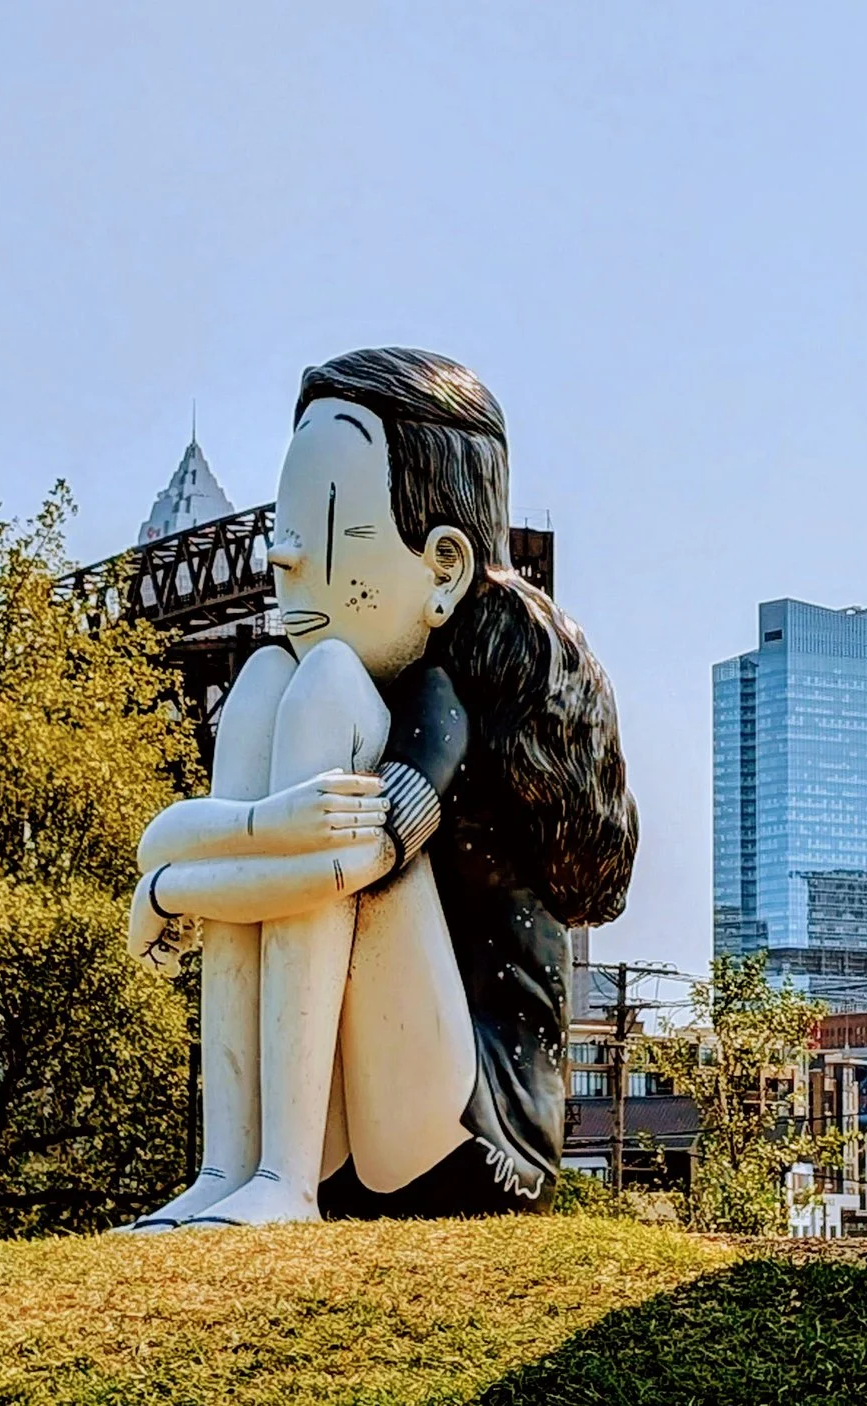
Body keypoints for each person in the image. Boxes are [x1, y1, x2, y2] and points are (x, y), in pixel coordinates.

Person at [119, 348, 637, 1228]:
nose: (283, 557)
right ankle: (231, 1167)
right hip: (372, 1133)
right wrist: (201, 855)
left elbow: (338, 871)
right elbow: (207, 842)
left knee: (317, 684)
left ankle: (284, 1176)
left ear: (444, 566)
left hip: (475, 1138)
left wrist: (174, 887)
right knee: (263, 687)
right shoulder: (317, 690)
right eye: (285, 527)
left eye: (330, 526)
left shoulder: (442, 703)